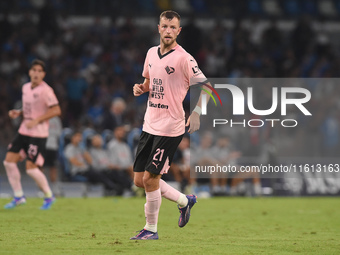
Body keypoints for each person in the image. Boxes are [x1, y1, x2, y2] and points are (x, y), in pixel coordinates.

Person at [130, 10, 207, 240]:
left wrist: (196, 112)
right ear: (158, 28)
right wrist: (141, 88)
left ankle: (151, 229)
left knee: (151, 179)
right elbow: (149, 82)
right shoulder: (151, 53)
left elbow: (206, 87)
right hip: (150, 123)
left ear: (179, 31)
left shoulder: (184, 58)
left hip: (170, 128)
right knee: (139, 181)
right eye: (165, 26)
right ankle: (185, 201)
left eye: (173, 27)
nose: (168, 31)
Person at [3, 59, 61, 210]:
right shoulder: (26, 88)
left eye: (39, 71)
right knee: (8, 162)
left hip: (38, 133)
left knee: (31, 168)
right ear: (29, 72)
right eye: (33, 70)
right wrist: (20, 112)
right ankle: (19, 196)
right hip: (24, 130)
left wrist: (37, 120)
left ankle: (49, 196)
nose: (36, 73)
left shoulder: (46, 90)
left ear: (44, 74)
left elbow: (56, 110)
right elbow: (32, 107)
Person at [44, 116, 63, 196]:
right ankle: (43, 189)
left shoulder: (56, 119)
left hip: (53, 146)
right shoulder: (41, 117)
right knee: (41, 168)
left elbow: (59, 133)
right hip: (42, 146)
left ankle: (55, 188)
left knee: (53, 168)